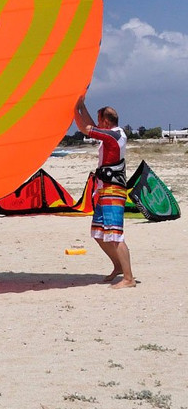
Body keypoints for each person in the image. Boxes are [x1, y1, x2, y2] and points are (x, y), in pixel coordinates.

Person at [74, 98, 135, 288]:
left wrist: (73, 109)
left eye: (100, 121)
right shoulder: (111, 133)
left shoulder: (114, 136)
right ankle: (118, 267)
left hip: (113, 190)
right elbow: (91, 126)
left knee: (115, 235)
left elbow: (86, 129)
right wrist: (82, 107)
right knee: (99, 233)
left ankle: (128, 279)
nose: (98, 125)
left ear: (106, 123)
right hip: (103, 189)